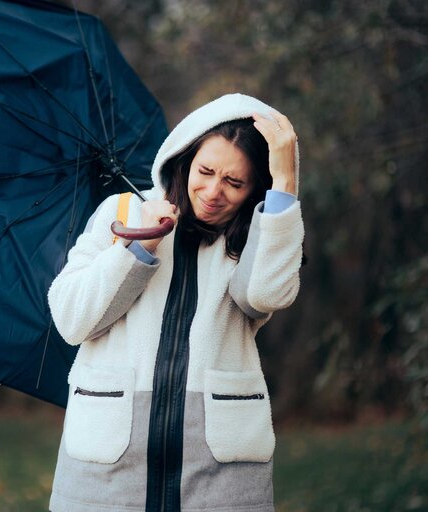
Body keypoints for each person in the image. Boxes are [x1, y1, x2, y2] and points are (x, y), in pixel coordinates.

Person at [47, 93, 304, 512]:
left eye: (234, 183)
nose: (213, 192)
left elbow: (266, 294)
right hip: (108, 470)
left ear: (256, 187)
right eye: (205, 171)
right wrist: (138, 246)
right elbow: (72, 319)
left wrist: (285, 188)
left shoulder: (256, 236)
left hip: (219, 474)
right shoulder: (123, 212)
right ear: (186, 158)